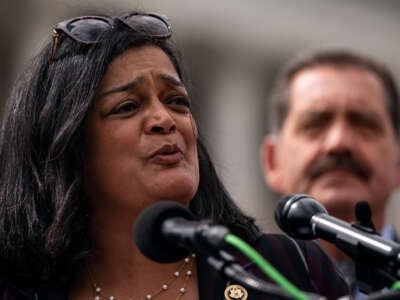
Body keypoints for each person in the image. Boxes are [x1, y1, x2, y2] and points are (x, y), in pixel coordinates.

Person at [0, 11, 348, 300]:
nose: (164, 120)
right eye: (127, 106)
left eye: (176, 101)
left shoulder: (283, 270)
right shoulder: (19, 291)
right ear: (68, 145)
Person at [260, 49, 400, 297]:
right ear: (273, 161)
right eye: (315, 123)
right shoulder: (230, 285)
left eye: (363, 123)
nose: (338, 142)